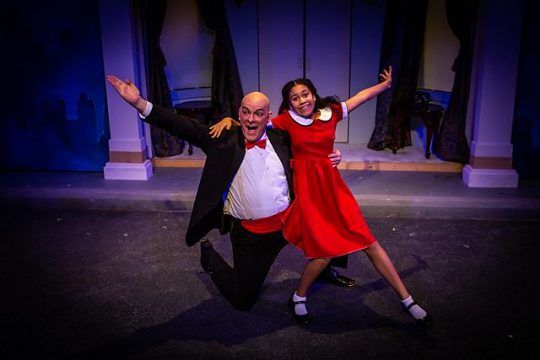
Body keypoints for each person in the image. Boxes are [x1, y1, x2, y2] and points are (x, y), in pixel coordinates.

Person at [106, 75, 355, 312]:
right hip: (250, 235)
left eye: (258, 113)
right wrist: (139, 103)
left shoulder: (282, 137)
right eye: (245, 112)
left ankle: (326, 268)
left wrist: (331, 155)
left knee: (331, 219)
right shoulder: (223, 140)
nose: (251, 119)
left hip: (289, 222)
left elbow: (313, 139)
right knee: (242, 300)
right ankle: (210, 260)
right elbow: (182, 126)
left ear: (268, 116)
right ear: (238, 114)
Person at [211, 67, 433, 327]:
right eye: (295, 97)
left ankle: (407, 301)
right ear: (289, 103)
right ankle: (299, 296)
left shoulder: (331, 114)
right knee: (324, 253)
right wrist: (229, 121)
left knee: (369, 242)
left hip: (334, 189)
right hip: (309, 193)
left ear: (314, 96)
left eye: (305, 94)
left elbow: (359, 98)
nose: (301, 100)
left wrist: (384, 86)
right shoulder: (286, 120)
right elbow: (252, 121)